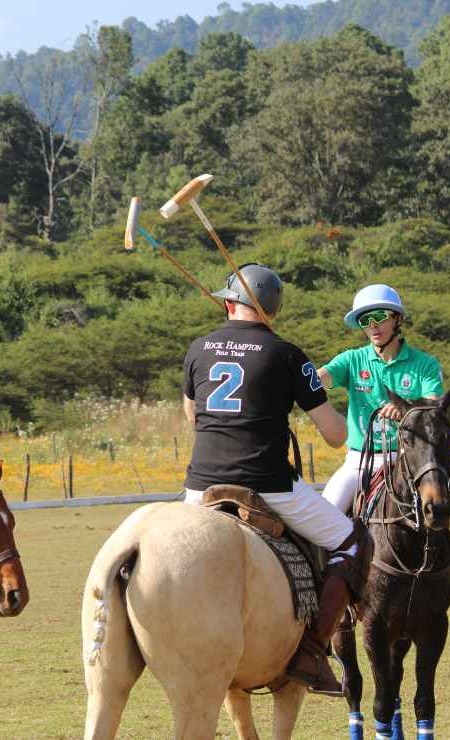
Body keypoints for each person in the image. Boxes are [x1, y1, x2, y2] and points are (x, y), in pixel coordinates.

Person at [181, 263, 369, 697]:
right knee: (352, 540)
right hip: (267, 483)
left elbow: (192, 415)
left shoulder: (198, 348)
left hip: (200, 485)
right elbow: (337, 436)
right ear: (273, 310)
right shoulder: (287, 355)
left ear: (229, 304)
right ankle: (311, 651)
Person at [318, 284, 450, 622]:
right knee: (319, 522)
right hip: (362, 461)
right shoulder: (352, 361)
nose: (373, 326)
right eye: (365, 320)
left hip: (416, 461)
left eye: (380, 317)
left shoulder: (424, 365)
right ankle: (326, 605)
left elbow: (433, 405)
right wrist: (295, 373)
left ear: (397, 319)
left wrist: (405, 409)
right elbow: (316, 379)